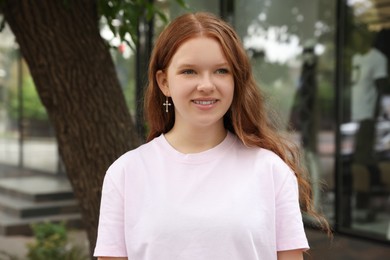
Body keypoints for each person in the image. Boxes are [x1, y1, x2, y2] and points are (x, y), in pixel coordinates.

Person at [94, 12, 328, 260]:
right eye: (189, 71)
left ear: (235, 79)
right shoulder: (125, 173)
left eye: (221, 71)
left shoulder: (271, 171)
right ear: (164, 82)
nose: (206, 85)